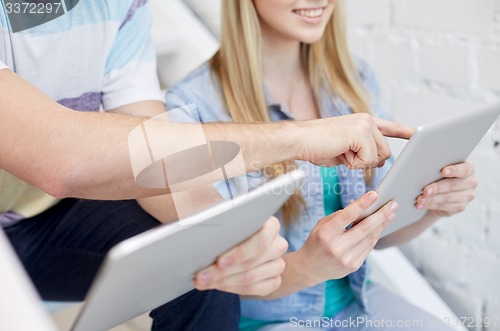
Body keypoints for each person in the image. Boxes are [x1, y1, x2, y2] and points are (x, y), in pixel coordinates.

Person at [0, 1, 413, 330]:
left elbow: (153, 148)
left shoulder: (120, 5)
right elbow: (62, 158)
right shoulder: (200, 93)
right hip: (30, 207)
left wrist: (225, 235)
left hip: (38, 216)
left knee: (199, 250)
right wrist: (298, 137)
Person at [157, 0, 478, 330]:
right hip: (262, 319)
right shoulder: (194, 107)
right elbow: (211, 276)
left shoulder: (355, 79)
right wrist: (308, 266)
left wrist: (432, 208)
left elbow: (378, 234)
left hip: (356, 303)